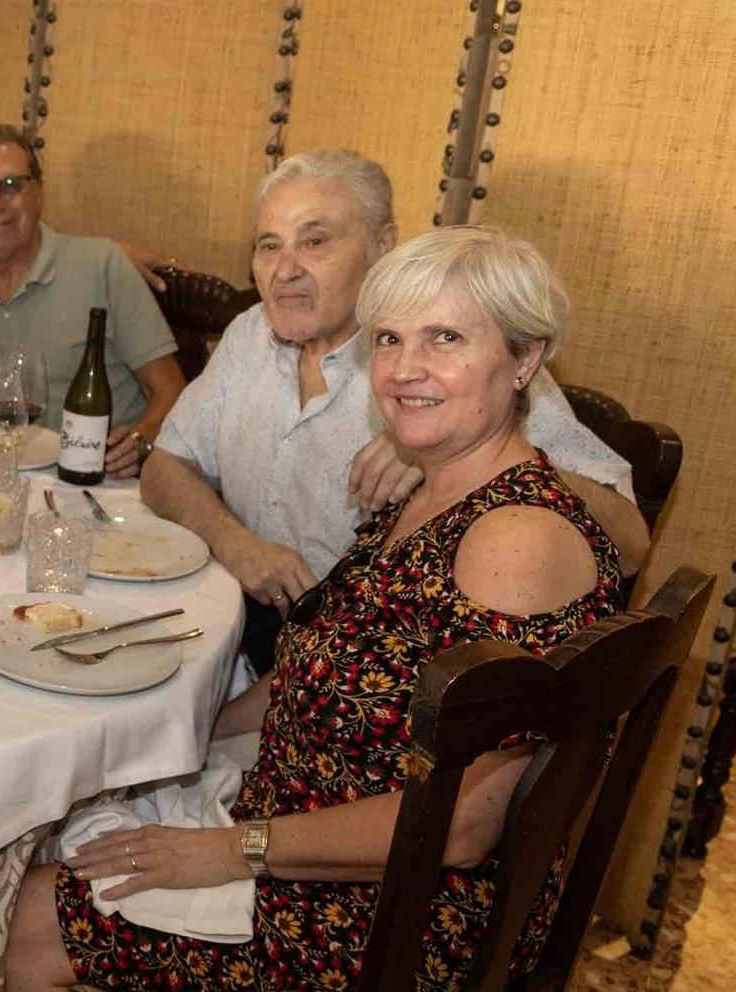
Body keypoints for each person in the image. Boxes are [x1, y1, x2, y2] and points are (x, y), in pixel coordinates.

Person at [4, 225, 626, 992]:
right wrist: (183, 737)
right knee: (55, 831)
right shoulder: (431, 492)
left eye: (446, 338)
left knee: (32, 915)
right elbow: (327, 667)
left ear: (526, 360)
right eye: (390, 339)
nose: (407, 368)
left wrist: (232, 850)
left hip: (387, 925)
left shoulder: (513, 541)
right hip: (314, 844)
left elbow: (459, 824)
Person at [141, 149, 647, 675]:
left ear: (382, 246)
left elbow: (629, 546)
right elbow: (164, 468)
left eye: (315, 242)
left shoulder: (462, 378)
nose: (285, 270)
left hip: (367, 670)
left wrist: (451, 452)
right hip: (242, 631)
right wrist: (236, 544)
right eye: (270, 245)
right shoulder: (250, 333)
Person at [0, 125, 186, 478]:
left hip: (102, 487)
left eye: (11, 185)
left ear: (39, 192)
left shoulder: (102, 265)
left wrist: (141, 441)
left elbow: (171, 391)